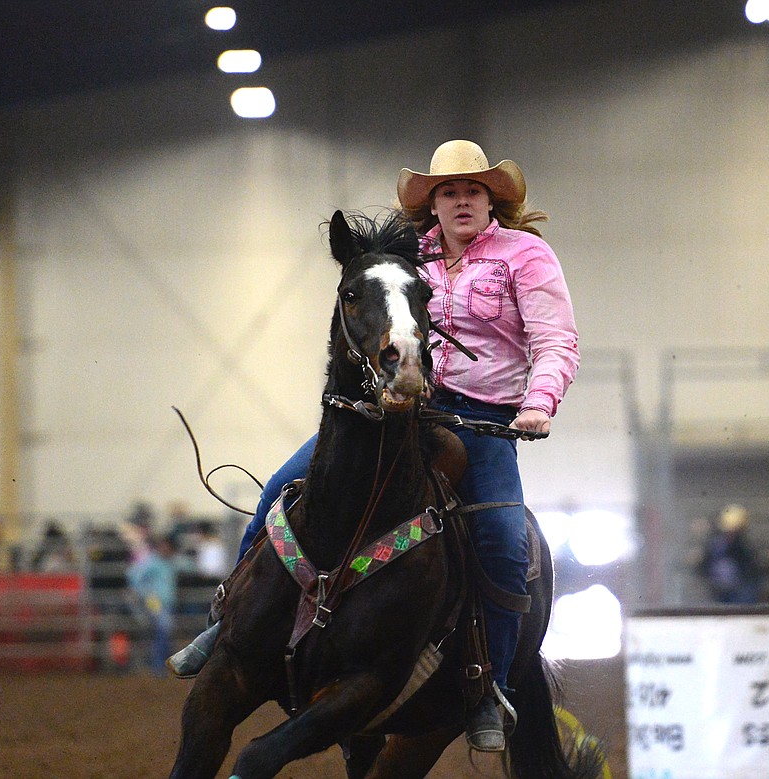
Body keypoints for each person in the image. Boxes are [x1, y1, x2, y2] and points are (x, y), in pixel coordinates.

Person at [169, 140, 580, 752]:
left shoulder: (527, 256)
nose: (462, 200)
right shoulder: (409, 260)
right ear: (433, 203)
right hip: (397, 411)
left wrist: (538, 404)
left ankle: (484, 682)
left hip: (486, 422)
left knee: (501, 541)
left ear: (491, 198)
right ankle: (226, 618)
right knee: (283, 487)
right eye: (449, 191)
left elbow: (556, 340)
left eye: (473, 190)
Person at [127, 534, 178, 676]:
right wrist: (143, 593)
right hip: (154, 601)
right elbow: (134, 576)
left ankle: (161, 665)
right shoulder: (153, 562)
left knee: (163, 630)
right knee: (164, 628)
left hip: (164, 602)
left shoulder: (166, 562)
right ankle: (159, 666)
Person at [700, 504, 763, 604]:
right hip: (719, 591)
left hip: (740, 591)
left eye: (735, 531)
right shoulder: (715, 545)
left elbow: (751, 571)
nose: (731, 534)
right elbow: (705, 566)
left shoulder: (744, 548)